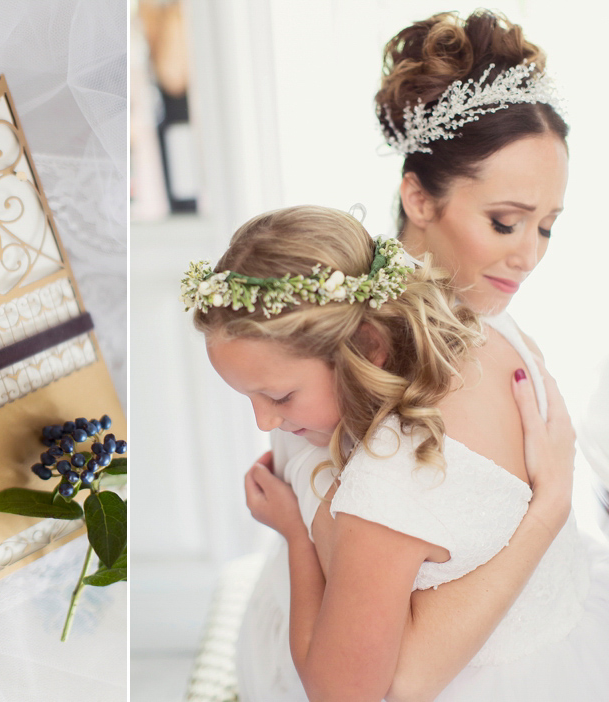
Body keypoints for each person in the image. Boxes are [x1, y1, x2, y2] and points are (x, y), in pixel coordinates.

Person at [228, 9, 601, 701]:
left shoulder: (487, 329)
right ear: (417, 197)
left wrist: (298, 536)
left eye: (547, 226)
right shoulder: (327, 330)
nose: (530, 255)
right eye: (506, 221)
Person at [186, 205, 609, 701]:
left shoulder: (388, 481)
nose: (264, 421)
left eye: (279, 397)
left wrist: (298, 532)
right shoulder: (483, 322)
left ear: (368, 346)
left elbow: (340, 693)